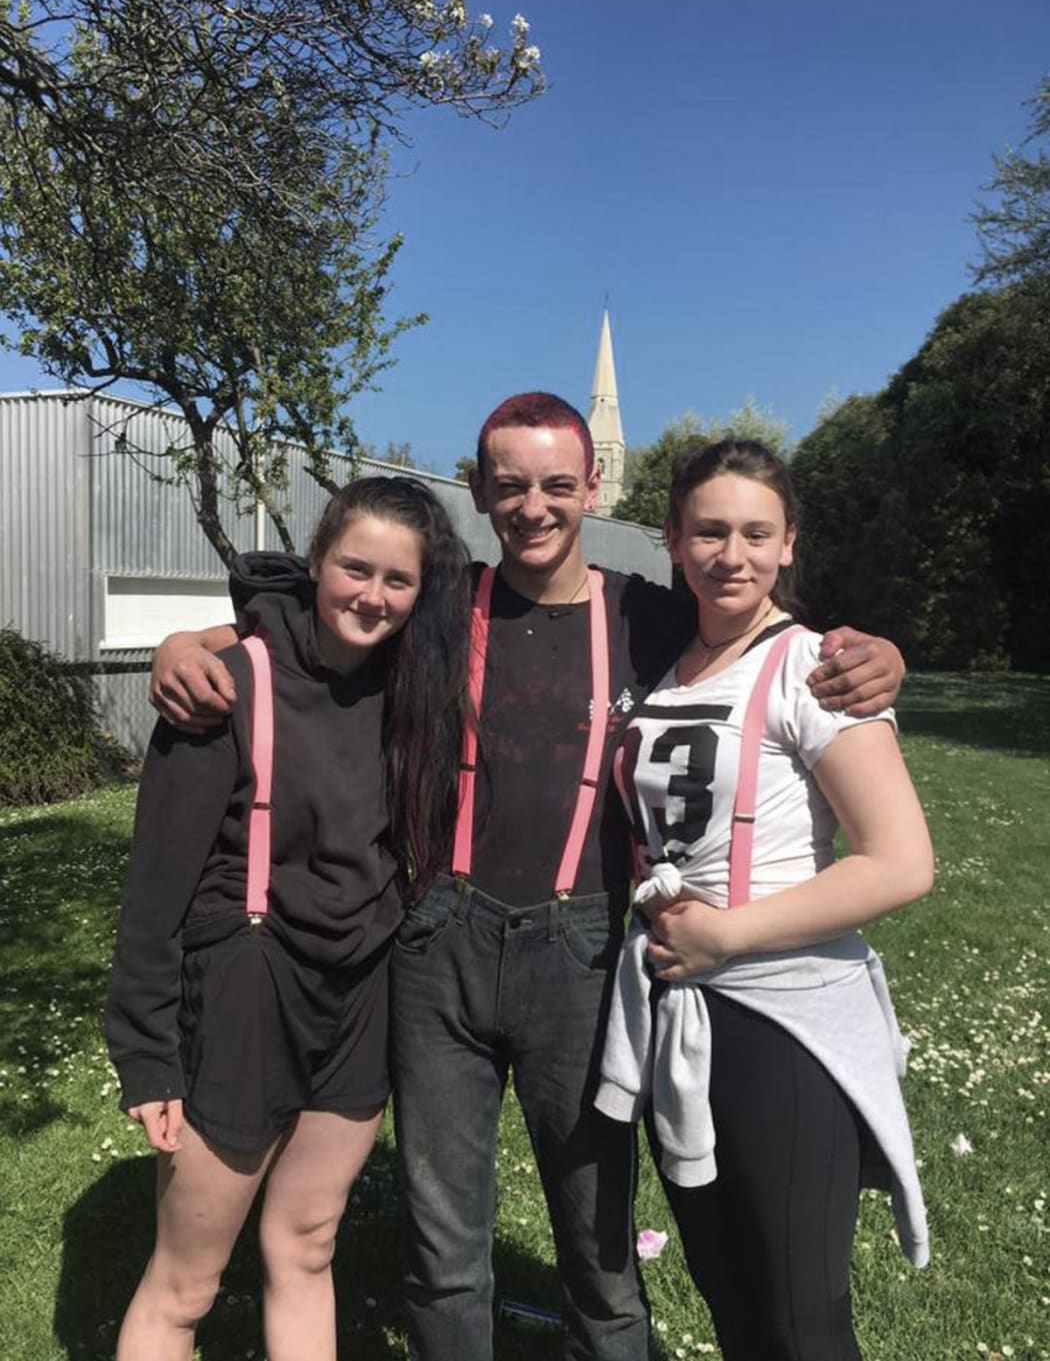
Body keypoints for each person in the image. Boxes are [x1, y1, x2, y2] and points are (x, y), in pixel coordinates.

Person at [150, 394, 906, 1361]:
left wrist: (882, 654)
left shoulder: (650, 610)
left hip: (583, 953)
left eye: (557, 483)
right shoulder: (436, 602)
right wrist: (190, 644)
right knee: (443, 1240)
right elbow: (310, 617)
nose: (535, 504)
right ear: (477, 489)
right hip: (437, 946)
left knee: (597, 1239)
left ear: (593, 485)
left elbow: (759, 621)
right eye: (510, 484)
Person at [106, 477, 471, 1361]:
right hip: (248, 984)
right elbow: (154, 892)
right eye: (355, 567)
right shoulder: (223, 684)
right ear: (316, 562)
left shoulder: (414, 682)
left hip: (361, 990)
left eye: (398, 580)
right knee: (187, 1285)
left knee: (307, 1245)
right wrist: (148, 1055)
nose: (372, 596)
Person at [596, 439, 933, 1361]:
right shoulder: (672, 663)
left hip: (785, 1023)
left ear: (790, 544)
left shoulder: (816, 666)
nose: (730, 554)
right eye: (709, 530)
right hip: (683, 1016)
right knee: (731, 1294)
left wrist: (726, 937)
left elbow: (902, 861)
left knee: (800, 1316)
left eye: (756, 532)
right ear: (671, 538)